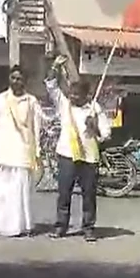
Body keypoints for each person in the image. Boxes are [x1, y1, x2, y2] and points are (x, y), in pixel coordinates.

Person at [45, 56, 110, 242]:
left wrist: (94, 127)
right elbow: (51, 85)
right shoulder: (64, 105)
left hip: (89, 158)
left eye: (76, 94)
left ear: (86, 95)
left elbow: (105, 134)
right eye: (71, 93)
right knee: (64, 193)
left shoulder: (95, 109)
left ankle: (88, 227)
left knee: (88, 195)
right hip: (67, 155)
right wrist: (55, 67)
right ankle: (60, 226)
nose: (72, 97)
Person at [0, 65, 42, 237]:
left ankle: (21, 226)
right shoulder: (0, 100)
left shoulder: (31, 101)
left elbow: (36, 128)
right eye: (13, 78)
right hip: (3, 151)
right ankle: (1, 226)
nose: (16, 81)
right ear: (9, 79)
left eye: (19, 78)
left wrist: (37, 152)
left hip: (22, 151)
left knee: (20, 190)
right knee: (2, 192)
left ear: (25, 80)